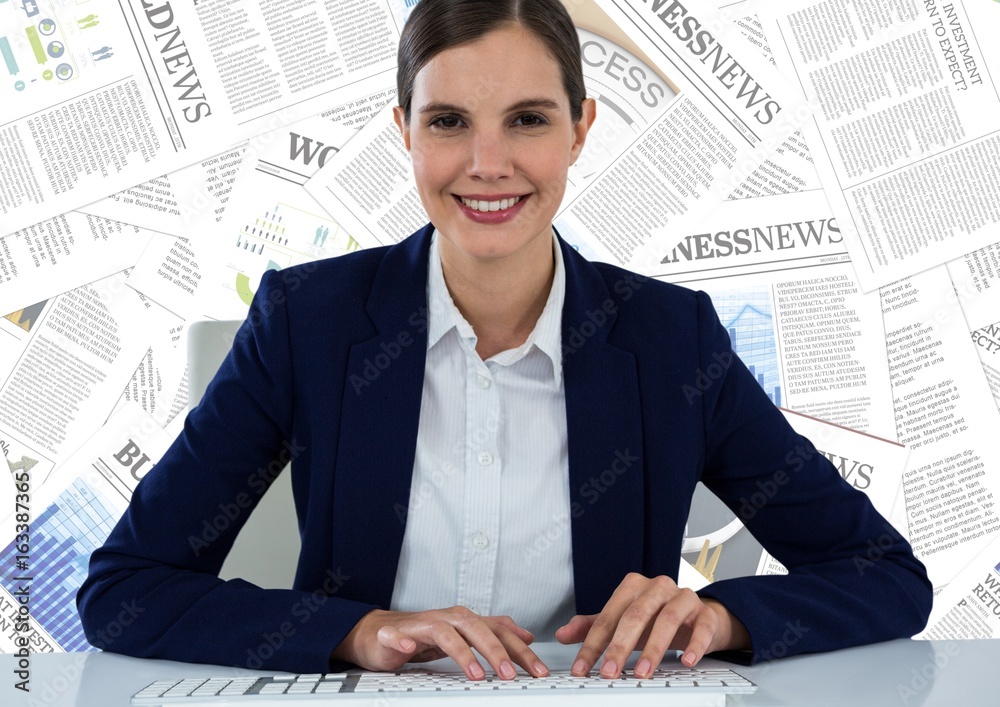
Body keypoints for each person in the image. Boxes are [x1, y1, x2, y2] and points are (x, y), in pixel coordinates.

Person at [78, 0, 931, 681]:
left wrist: (723, 616)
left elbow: (884, 572)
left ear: (581, 129)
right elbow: (124, 590)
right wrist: (358, 632)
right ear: (405, 129)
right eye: (448, 121)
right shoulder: (309, 321)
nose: (487, 163)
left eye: (527, 119)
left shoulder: (674, 341)